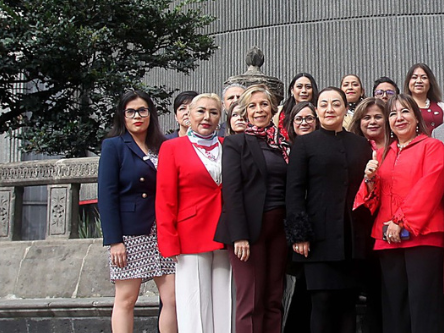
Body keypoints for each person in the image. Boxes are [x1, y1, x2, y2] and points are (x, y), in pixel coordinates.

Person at [286, 88, 373, 333]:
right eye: (324, 104)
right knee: (322, 301)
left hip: (351, 236)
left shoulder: (360, 145)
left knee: (348, 303)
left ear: (345, 109)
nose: (329, 109)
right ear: (317, 110)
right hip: (317, 237)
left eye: (336, 104)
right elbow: (294, 192)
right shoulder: (304, 144)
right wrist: (299, 234)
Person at [359, 95, 444, 333]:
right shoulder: (382, 153)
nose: (399, 118)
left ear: (417, 118)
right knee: (394, 309)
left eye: (405, 111)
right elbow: (372, 200)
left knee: (424, 307)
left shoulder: (432, 146)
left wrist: (401, 221)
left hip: (423, 236)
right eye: (393, 113)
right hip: (388, 239)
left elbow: (430, 187)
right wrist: (369, 180)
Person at [99, 90, 177, 333]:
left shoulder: (163, 145)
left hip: (162, 229)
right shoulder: (114, 146)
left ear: (150, 114)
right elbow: (107, 195)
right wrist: (114, 241)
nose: (137, 117)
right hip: (131, 232)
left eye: (142, 111)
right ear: (122, 116)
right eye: (130, 112)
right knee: (126, 298)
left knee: (173, 298)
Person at [217, 86, 291, 333]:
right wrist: (240, 236)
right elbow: (232, 191)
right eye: (252, 106)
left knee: (273, 297)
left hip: (279, 228)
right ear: (245, 112)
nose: (259, 110)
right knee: (251, 299)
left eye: (264, 104)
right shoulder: (236, 143)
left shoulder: (282, 144)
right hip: (249, 230)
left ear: (272, 108)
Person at [157, 93, 231, 333]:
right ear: (188, 115)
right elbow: (165, 198)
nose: (207, 117)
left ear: (220, 118)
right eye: (201, 111)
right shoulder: (172, 147)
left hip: (226, 232)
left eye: (213, 112)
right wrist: (168, 241)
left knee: (226, 302)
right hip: (191, 234)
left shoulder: (228, 145)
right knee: (194, 305)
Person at [348, 96, 389, 333]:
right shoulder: (354, 149)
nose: (372, 121)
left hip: (393, 226)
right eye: (366, 117)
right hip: (362, 228)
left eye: (377, 117)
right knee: (370, 291)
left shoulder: (398, 147)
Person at [406, 63, 444, 130]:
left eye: (424, 77)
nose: (419, 81)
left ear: (430, 82)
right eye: (414, 77)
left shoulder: (441, 106)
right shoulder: (402, 106)